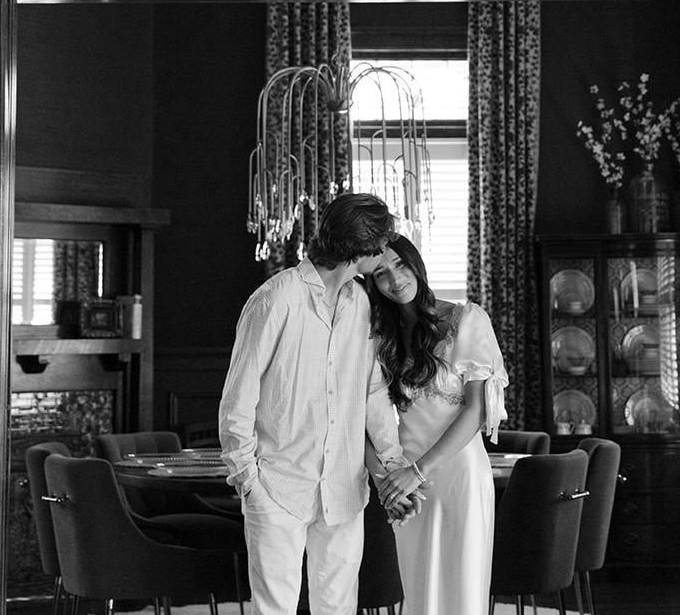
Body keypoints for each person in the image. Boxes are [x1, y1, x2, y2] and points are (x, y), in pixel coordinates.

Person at [218, 192, 418, 615]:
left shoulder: (360, 303)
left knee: (338, 608)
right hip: (277, 485)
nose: (385, 252)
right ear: (361, 249)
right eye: (381, 244)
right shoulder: (275, 300)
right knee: (274, 610)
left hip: (344, 486)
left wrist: (391, 464)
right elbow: (238, 398)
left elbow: (373, 393)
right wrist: (248, 480)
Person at [363, 233, 509, 615]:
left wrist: (417, 471)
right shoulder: (378, 336)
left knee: (462, 591)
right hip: (405, 482)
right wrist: (388, 483)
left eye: (400, 265)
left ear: (416, 263)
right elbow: (361, 418)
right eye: (381, 273)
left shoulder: (468, 320)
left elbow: (476, 411)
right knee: (420, 593)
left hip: (458, 473)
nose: (395, 279)